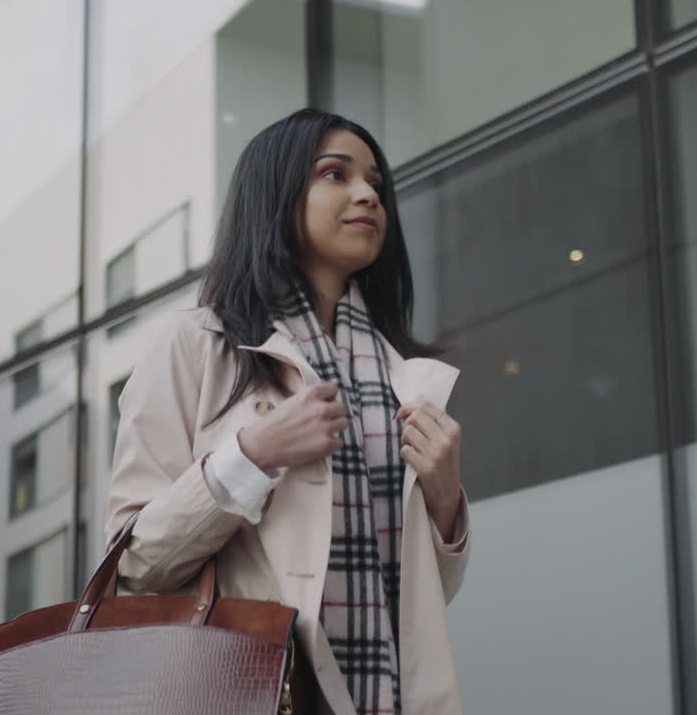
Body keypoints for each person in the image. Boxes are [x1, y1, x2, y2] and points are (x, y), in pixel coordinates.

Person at [106, 108, 472, 715]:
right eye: (336, 174)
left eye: (375, 184)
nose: (366, 195)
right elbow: (135, 564)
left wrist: (444, 504)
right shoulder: (199, 344)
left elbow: (419, 601)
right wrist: (250, 456)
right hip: (253, 692)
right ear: (276, 196)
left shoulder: (402, 379)